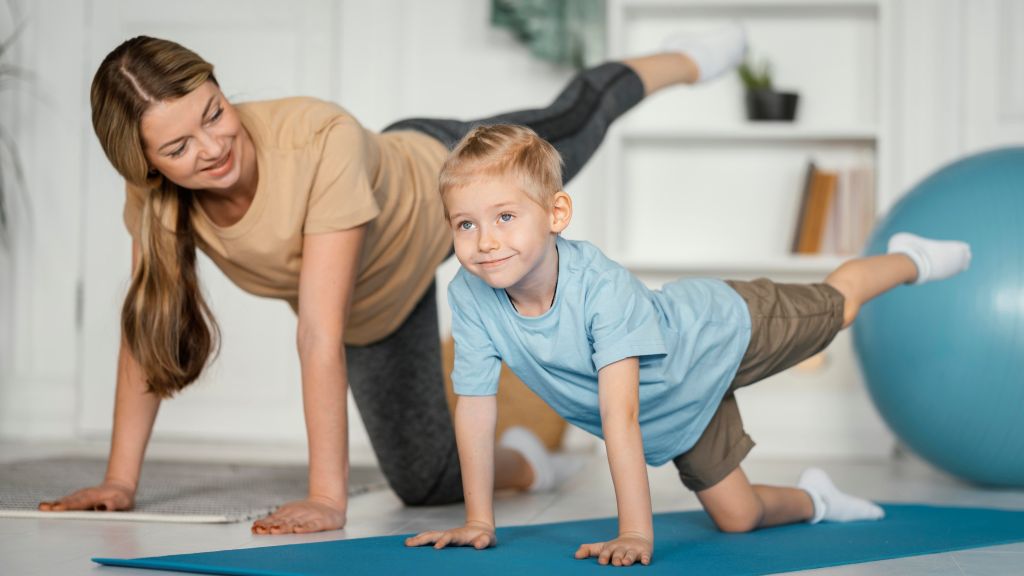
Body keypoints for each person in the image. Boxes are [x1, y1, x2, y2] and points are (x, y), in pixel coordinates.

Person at [36, 26, 751, 535]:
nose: (214, 146)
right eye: (179, 147)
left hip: (443, 184)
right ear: (147, 164)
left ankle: (685, 57)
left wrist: (326, 497)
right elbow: (148, 331)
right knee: (424, 483)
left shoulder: (318, 140)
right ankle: (536, 452)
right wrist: (119, 482)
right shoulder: (156, 199)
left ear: (221, 86)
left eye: (214, 113)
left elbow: (317, 330)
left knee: (580, 114)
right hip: (381, 302)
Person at [404, 124, 972, 566]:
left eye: (504, 216)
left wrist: (633, 531)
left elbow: (620, 416)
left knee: (839, 307)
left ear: (556, 214)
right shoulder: (471, 296)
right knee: (739, 517)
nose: (486, 242)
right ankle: (817, 500)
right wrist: (479, 520)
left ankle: (911, 259)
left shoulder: (600, 288)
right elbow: (476, 408)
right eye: (466, 225)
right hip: (678, 408)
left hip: (721, 330)